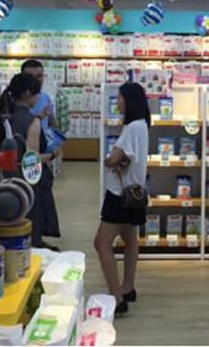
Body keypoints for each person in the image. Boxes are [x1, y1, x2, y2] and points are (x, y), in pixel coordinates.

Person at [94, 82, 150, 316]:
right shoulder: (143, 125)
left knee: (101, 243)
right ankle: (128, 288)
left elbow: (115, 158)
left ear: (129, 100)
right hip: (135, 193)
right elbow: (131, 158)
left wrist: (108, 160)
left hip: (119, 194)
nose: (117, 102)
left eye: (119, 98)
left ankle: (116, 298)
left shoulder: (131, 128)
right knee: (130, 239)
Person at [0, 73, 61, 250]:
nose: (39, 97)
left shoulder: (6, 115)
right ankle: (33, 247)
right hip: (28, 178)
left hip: (8, 174)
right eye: (37, 93)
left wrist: (38, 118)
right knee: (31, 213)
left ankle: (16, 246)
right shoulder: (32, 121)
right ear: (27, 93)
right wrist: (53, 154)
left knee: (14, 213)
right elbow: (32, 159)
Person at [21, 59, 69, 150]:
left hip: (42, 149)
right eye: (31, 77)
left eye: (39, 76)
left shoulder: (47, 98)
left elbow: (52, 125)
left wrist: (56, 145)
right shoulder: (16, 100)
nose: (35, 80)